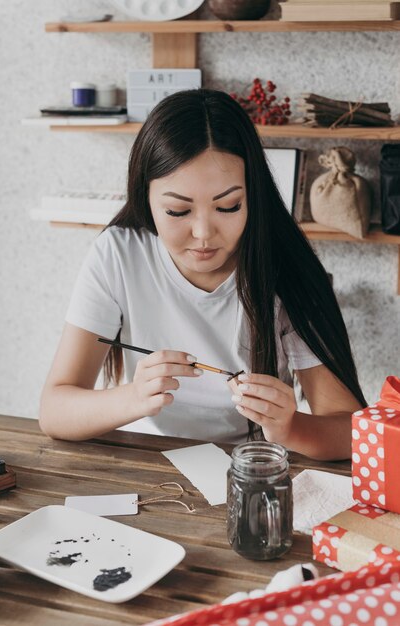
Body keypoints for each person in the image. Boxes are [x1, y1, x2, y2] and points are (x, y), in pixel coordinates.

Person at [39, 88, 365, 460]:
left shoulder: (285, 268)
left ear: (252, 196)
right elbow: (54, 411)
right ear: (145, 196)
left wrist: (290, 427)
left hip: (250, 471)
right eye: (178, 211)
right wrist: (132, 397)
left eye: (228, 206)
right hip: (146, 463)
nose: (203, 234)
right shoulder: (119, 254)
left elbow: (352, 431)